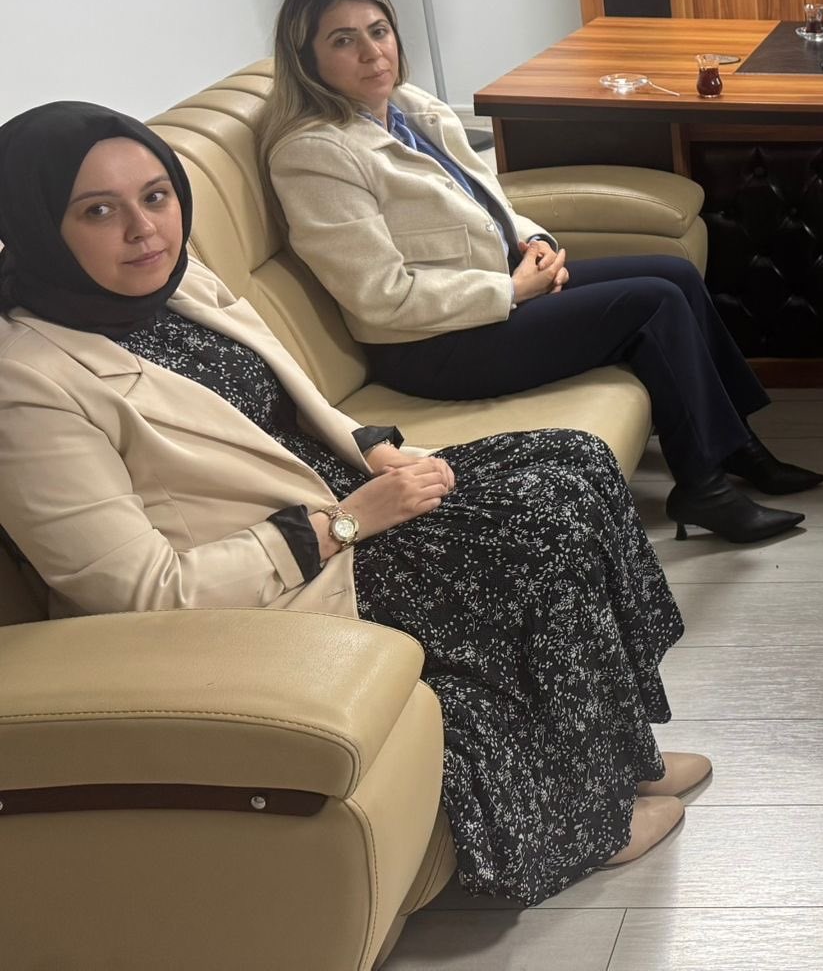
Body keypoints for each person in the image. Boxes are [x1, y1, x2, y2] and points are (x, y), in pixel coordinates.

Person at [0, 104, 704, 903]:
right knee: (541, 535)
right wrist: (345, 523)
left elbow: (282, 397)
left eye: (156, 196)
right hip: (278, 578)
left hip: (343, 494)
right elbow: (141, 593)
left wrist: (372, 449)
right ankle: (589, 822)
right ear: (35, 224)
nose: (143, 229)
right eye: (98, 211)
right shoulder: (26, 384)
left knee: (576, 461)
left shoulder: (172, 279)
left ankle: (621, 752)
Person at [259, 0, 815, 545]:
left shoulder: (409, 108)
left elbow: (486, 200)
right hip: (434, 346)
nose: (372, 52)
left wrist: (535, 242)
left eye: (379, 31)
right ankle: (704, 488)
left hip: (494, 294)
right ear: (306, 59)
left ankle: (738, 447)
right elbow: (380, 296)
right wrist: (512, 290)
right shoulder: (313, 154)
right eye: (343, 40)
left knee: (672, 271)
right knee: (653, 303)